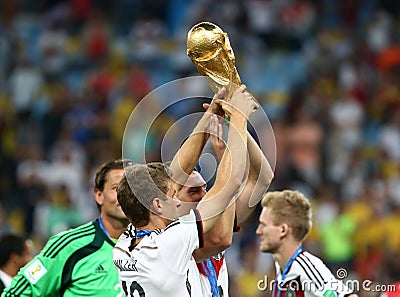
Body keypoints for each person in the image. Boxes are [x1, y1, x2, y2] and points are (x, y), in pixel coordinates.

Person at [113, 86, 257, 296]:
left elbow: (176, 173)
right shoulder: (170, 244)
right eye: (173, 195)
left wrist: (209, 117)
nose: (179, 201)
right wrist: (239, 119)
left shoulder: (125, 243)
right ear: (157, 204)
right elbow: (230, 183)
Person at [176, 106, 274, 297]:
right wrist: (238, 119)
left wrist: (238, 124)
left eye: (205, 188)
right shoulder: (172, 238)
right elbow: (221, 239)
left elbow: (262, 178)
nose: (204, 195)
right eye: (193, 192)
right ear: (173, 199)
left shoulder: (217, 221)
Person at [2, 159, 131, 297]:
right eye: (116, 188)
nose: (125, 195)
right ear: (99, 196)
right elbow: (14, 294)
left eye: (132, 189)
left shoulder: (153, 246)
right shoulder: (69, 246)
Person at [256, 190, 357, 297]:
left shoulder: (305, 268)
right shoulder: (282, 269)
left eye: (264, 225)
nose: (258, 231)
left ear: (283, 230)